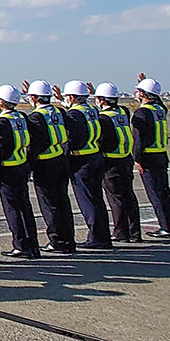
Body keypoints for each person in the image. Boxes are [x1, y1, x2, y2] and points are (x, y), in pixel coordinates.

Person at [24, 80, 76, 253]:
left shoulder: (35, 118)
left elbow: (35, 145)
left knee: (50, 205)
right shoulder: (58, 112)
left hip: (45, 164)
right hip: (60, 160)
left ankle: (57, 240)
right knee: (63, 202)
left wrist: (29, 167)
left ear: (33, 98)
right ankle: (68, 239)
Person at [0, 84, 40, 259]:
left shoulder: (1, 123)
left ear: (1, 102)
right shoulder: (21, 117)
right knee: (25, 207)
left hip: (7, 169)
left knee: (12, 209)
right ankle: (33, 244)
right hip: (22, 166)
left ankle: (20, 245)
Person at [62, 80, 112, 249]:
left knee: (87, 200)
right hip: (95, 156)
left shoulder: (74, 114)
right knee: (97, 198)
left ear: (72, 97)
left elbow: (73, 139)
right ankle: (103, 235)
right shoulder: (91, 110)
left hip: (82, 160)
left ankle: (97, 238)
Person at [132, 76, 170, 239]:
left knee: (156, 194)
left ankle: (166, 227)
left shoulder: (143, 112)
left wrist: (137, 158)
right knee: (165, 192)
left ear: (144, 94)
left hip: (149, 158)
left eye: (139, 91)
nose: (136, 94)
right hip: (161, 155)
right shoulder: (160, 109)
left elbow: (140, 139)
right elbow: (157, 101)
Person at [94, 82, 141, 242]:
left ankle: (121, 233)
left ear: (101, 100)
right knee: (128, 195)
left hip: (111, 160)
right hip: (125, 159)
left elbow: (104, 140)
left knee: (116, 198)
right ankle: (134, 231)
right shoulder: (123, 111)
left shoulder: (103, 118)